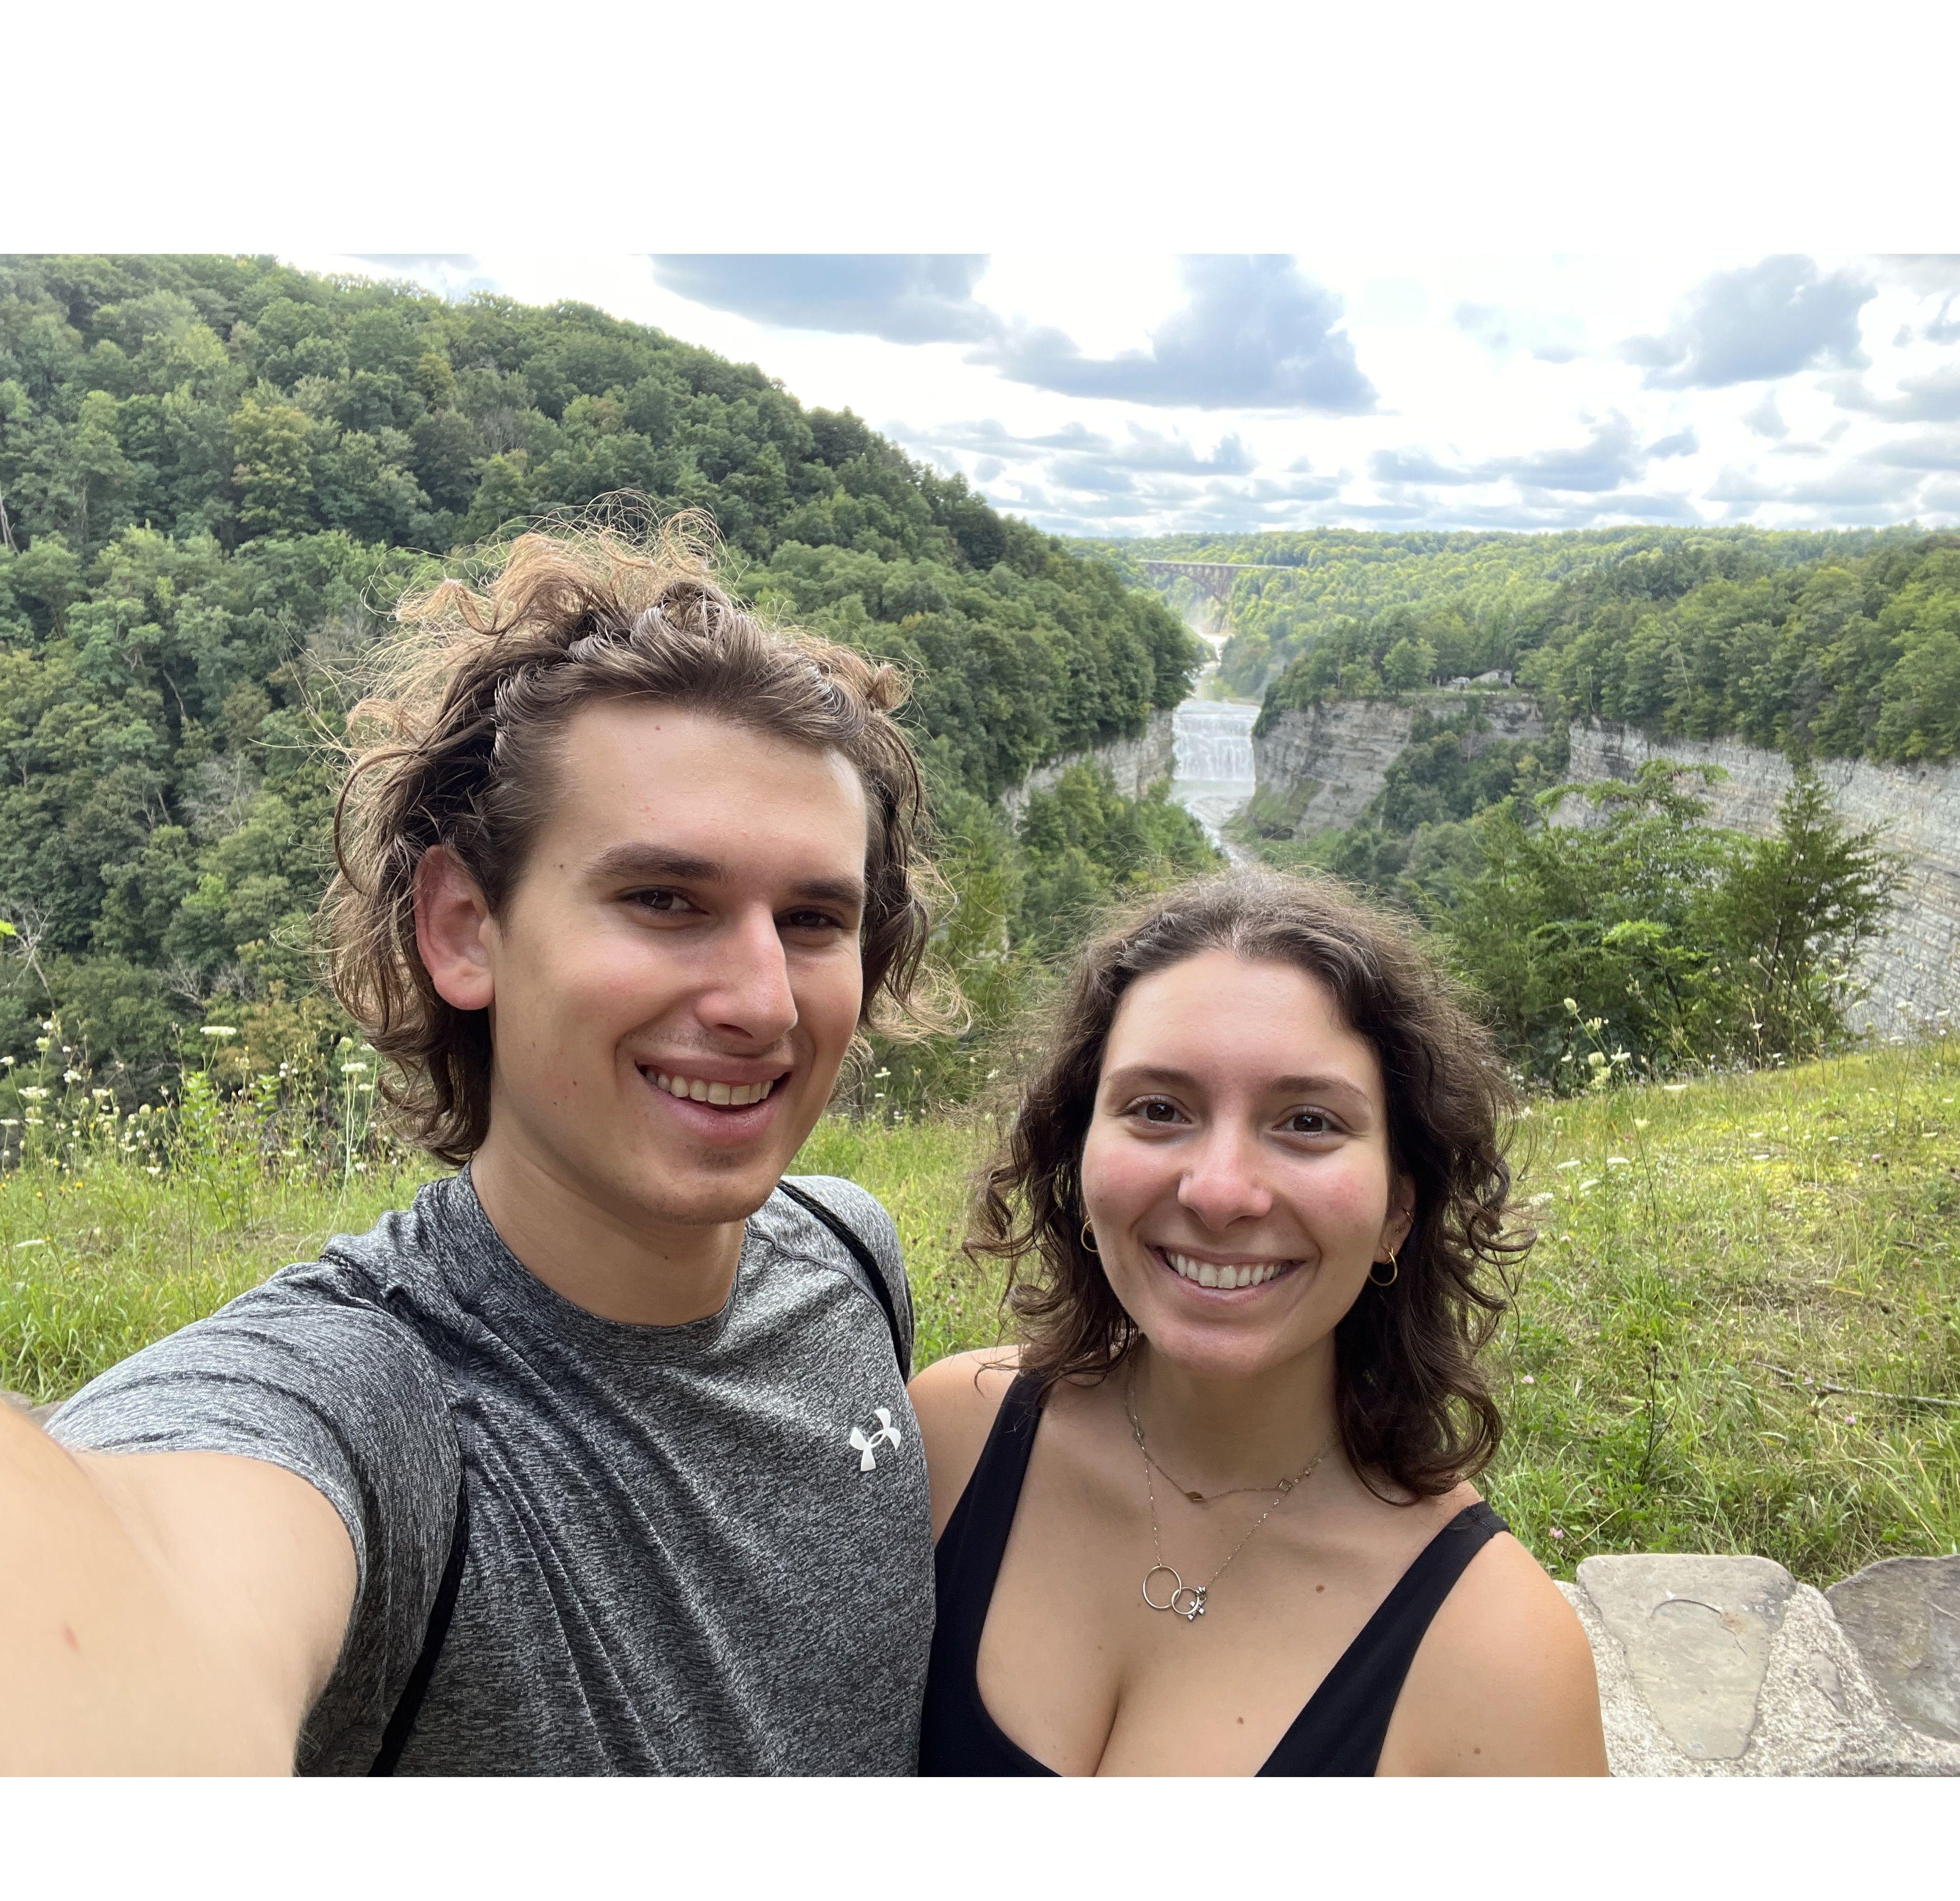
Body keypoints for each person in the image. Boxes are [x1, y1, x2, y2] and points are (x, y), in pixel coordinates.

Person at [0, 520, 946, 1775]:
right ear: (463, 928)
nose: (765, 1000)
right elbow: (146, 1591)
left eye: (816, 918)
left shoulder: (850, 1254)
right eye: (666, 900)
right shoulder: (368, 1409)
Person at [912, 870, 1609, 1776]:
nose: (1221, 1193)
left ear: (1400, 1210)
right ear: (1079, 1158)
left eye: (1308, 1122)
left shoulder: (1500, 1660)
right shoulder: (951, 1439)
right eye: (1158, 1110)